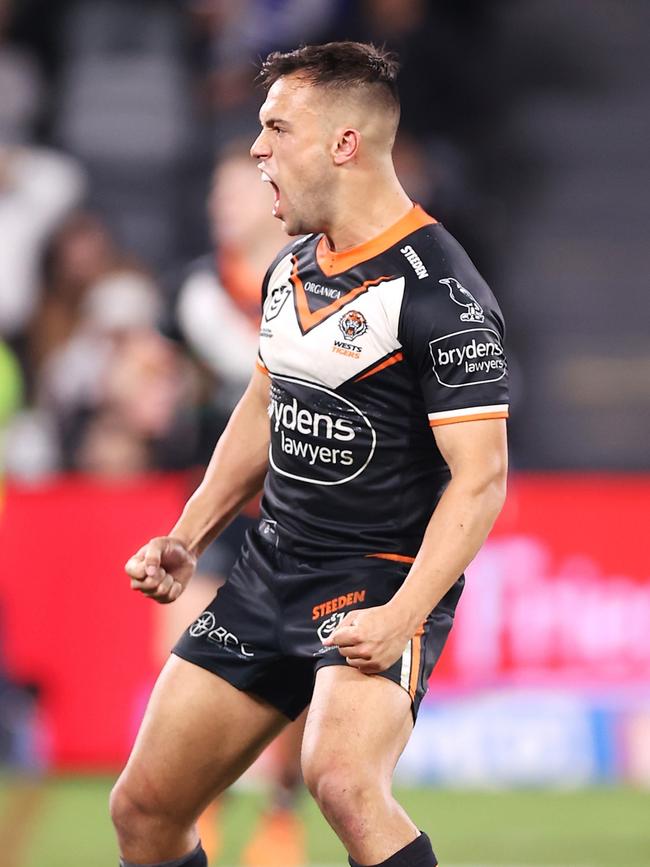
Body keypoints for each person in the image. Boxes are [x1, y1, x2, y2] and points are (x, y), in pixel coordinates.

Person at [112, 41, 509, 867]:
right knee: (144, 808)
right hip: (269, 569)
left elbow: (482, 480)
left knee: (342, 780)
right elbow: (264, 406)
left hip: (380, 578)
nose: (258, 149)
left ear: (343, 144)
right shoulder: (291, 267)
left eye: (275, 128)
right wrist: (188, 534)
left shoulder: (442, 296)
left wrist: (403, 617)